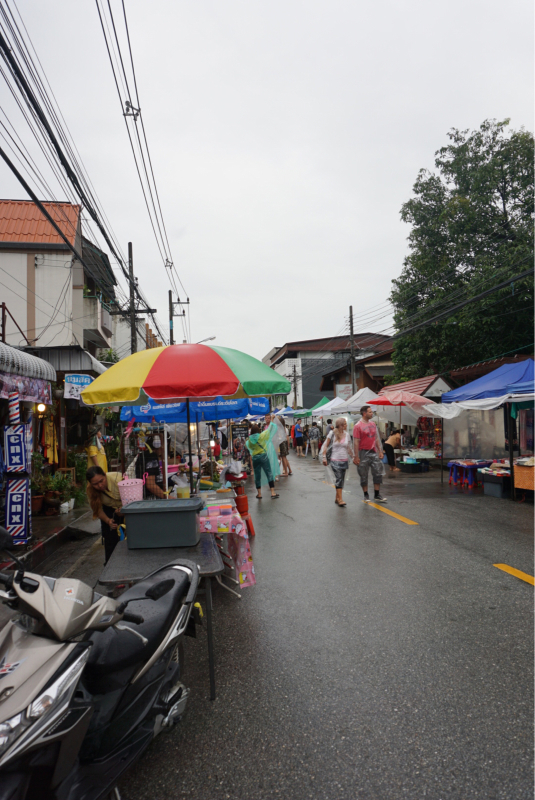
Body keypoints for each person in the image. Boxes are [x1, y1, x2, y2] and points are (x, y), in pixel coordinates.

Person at [86, 466, 124, 563]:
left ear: (105, 475)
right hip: (109, 510)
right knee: (110, 539)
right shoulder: (91, 490)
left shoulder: (118, 479)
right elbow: (97, 510)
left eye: (101, 481)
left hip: (126, 507)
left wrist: (125, 510)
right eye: (95, 484)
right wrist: (108, 521)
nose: (100, 485)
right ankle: (109, 566)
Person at [353, 405, 386, 503]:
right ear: (364, 413)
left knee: (377, 472)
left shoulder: (373, 424)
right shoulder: (358, 426)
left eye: (372, 412)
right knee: (363, 474)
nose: (372, 414)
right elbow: (356, 442)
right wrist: (356, 456)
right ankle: (366, 494)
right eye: (370, 412)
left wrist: (380, 450)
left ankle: (377, 494)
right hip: (362, 452)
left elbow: (376, 438)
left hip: (373, 451)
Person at [320, 417, 354, 507]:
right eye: (345, 423)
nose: (346, 425)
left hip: (344, 460)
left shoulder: (347, 435)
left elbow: (349, 448)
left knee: (341, 480)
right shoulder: (332, 433)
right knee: (339, 478)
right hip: (335, 459)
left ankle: (337, 497)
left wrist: (353, 457)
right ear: (341, 425)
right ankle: (340, 499)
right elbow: (325, 446)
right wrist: (324, 457)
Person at [246, 422, 281, 499]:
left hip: (255, 458)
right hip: (263, 456)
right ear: (258, 430)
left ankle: (259, 494)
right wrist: (272, 420)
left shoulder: (249, 440)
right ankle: (272, 493)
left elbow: (249, 448)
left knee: (257, 476)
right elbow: (270, 429)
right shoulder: (262, 435)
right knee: (269, 473)